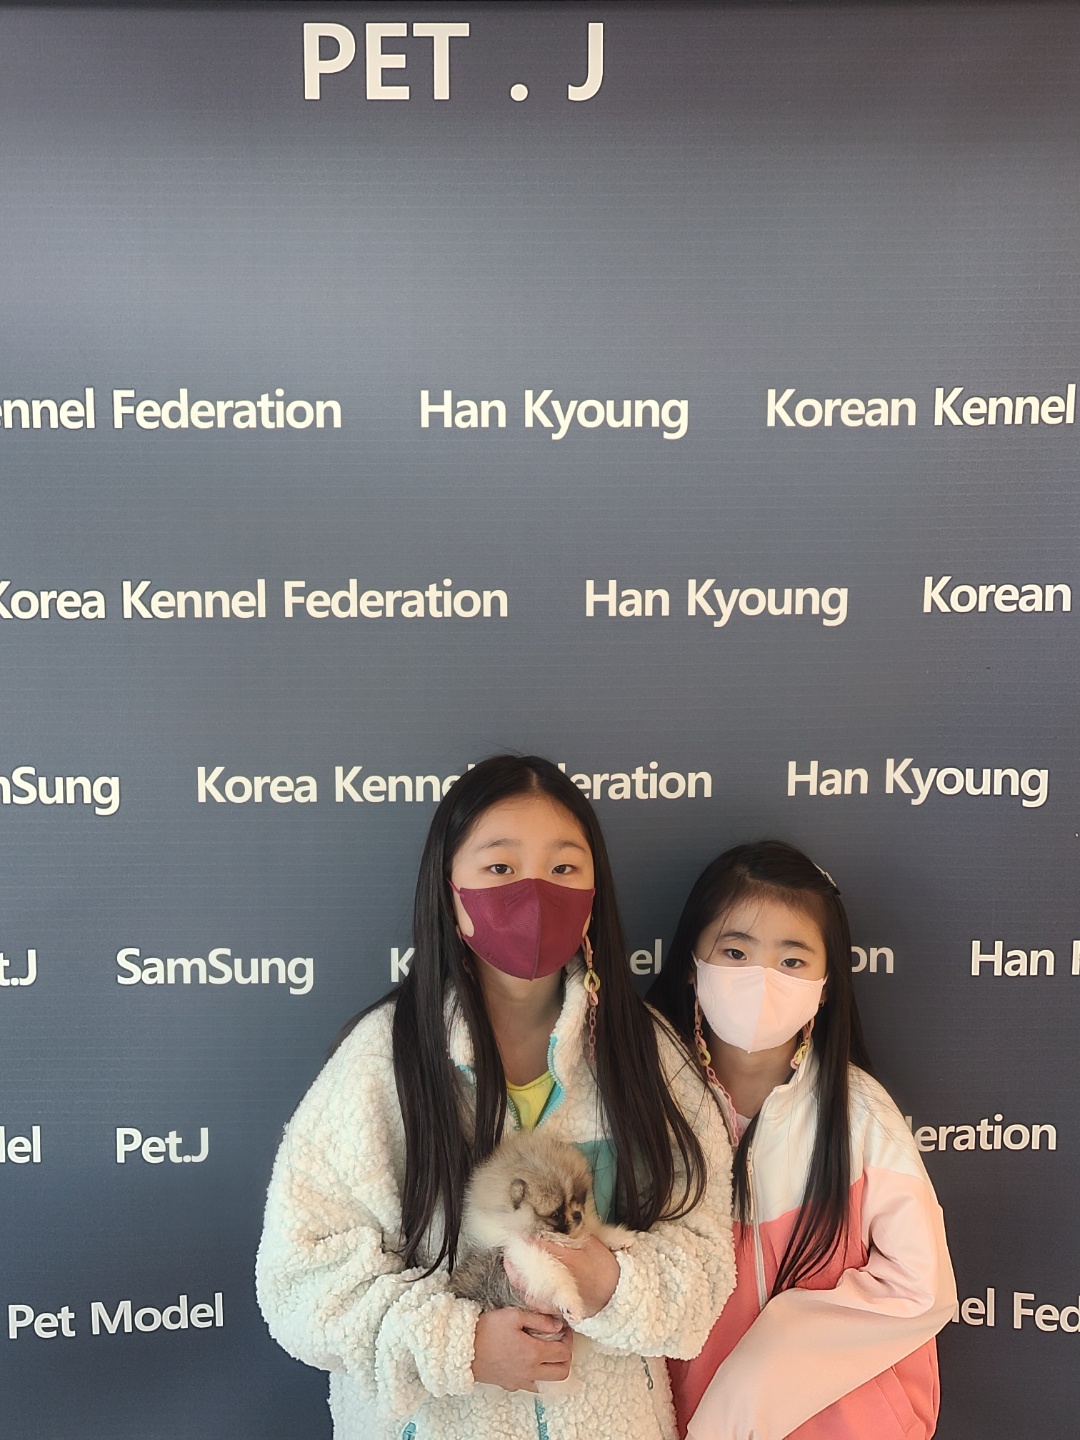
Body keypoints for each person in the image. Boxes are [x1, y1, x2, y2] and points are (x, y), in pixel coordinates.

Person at [256, 755, 735, 1440]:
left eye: (563, 867)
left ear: (595, 890)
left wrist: (611, 1285)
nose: (534, 892)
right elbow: (302, 1281)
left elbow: (706, 1259)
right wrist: (461, 1347)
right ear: (449, 890)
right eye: (501, 867)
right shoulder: (382, 1061)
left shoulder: (647, 1056)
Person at [648, 840, 956, 1440]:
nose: (762, 979)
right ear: (691, 961)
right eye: (735, 951)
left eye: (792, 960)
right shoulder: (644, 1108)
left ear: (826, 982)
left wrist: (753, 1387)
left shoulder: (860, 1113)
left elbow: (921, 1287)